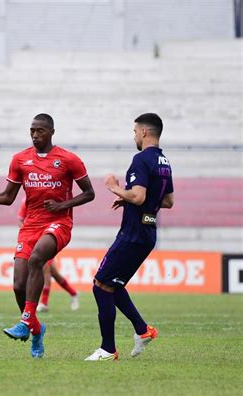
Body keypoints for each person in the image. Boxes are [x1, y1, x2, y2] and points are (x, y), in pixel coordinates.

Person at [0, 114, 95, 359]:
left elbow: (89, 193)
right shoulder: (20, 160)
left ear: (51, 132)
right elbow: (7, 198)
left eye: (40, 131)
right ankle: (36, 330)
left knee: (37, 259)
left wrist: (62, 206)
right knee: (18, 283)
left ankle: (24, 321)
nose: (35, 135)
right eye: (32, 131)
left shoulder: (69, 160)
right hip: (30, 226)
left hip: (59, 223)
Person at [85, 113, 174, 361]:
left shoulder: (141, 159)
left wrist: (115, 187)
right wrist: (126, 200)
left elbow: (139, 196)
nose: (134, 135)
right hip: (147, 232)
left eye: (135, 131)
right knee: (113, 284)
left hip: (132, 234)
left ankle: (107, 349)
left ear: (144, 132)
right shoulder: (164, 161)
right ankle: (143, 330)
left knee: (101, 285)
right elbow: (167, 201)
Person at [17, 197, 79, 312]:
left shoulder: (50, 197)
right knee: (54, 273)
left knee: (46, 269)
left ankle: (44, 302)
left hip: (47, 239)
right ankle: (74, 293)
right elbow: (20, 219)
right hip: (32, 239)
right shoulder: (27, 200)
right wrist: (29, 234)